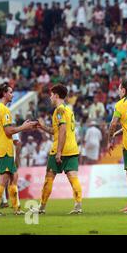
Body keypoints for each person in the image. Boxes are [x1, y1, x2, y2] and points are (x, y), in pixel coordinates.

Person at [0, 83, 37, 216]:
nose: (12, 94)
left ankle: (16, 208)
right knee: (4, 178)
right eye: (10, 92)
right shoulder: (4, 110)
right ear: (4, 93)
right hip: (4, 148)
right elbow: (9, 131)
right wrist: (23, 127)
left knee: (14, 176)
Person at [34, 84, 83, 214]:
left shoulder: (59, 110)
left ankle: (42, 207)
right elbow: (56, 131)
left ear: (56, 95)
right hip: (72, 148)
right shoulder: (68, 109)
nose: (50, 97)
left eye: (51, 95)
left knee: (49, 178)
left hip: (59, 149)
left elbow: (62, 131)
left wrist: (59, 152)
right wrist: (42, 127)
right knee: (73, 177)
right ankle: (78, 206)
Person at [106, 79, 127, 213]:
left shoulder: (120, 104)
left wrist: (110, 140)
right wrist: (118, 133)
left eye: (119, 89)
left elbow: (113, 124)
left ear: (124, 90)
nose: (118, 91)